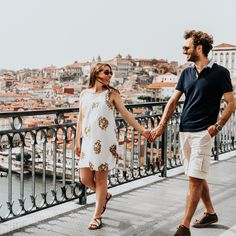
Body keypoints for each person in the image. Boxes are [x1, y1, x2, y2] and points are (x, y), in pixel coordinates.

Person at [150, 30, 235, 236]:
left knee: (194, 179)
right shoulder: (186, 72)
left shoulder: (220, 72)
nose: (183, 51)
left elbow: (231, 103)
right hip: (185, 131)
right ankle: (210, 213)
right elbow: (173, 101)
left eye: (186, 47)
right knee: (196, 175)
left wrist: (219, 125)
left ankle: (184, 227)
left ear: (199, 47)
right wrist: (161, 125)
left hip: (204, 133)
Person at [75, 63, 150, 230]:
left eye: (111, 73)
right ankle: (105, 195)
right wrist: (77, 140)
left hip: (105, 142)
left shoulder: (112, 94)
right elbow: (80, 118)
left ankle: (96, 216)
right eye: (107, 72)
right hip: (88, 142)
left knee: (101, 180)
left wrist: (143, 131)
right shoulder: (84, 94)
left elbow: (126, 114)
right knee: (85, 178)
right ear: (96, 73)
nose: (110, 76)